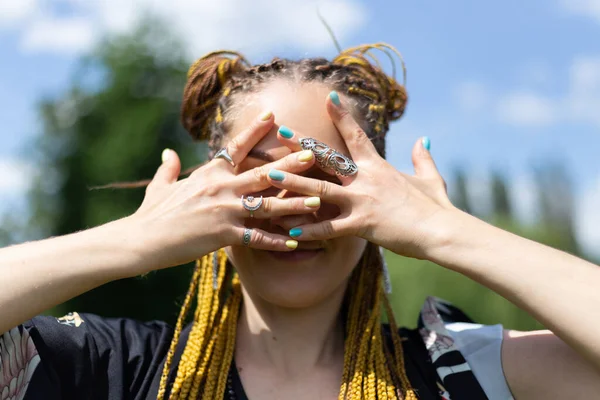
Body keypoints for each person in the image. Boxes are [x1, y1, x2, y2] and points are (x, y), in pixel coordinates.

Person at [0, 43, 599, 400]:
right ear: (206, 197)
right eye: (263, 181)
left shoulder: (462, 370)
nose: (296, 208)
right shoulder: (109, 368)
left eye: (326, 178)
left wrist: (445, 232)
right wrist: (131, 241)